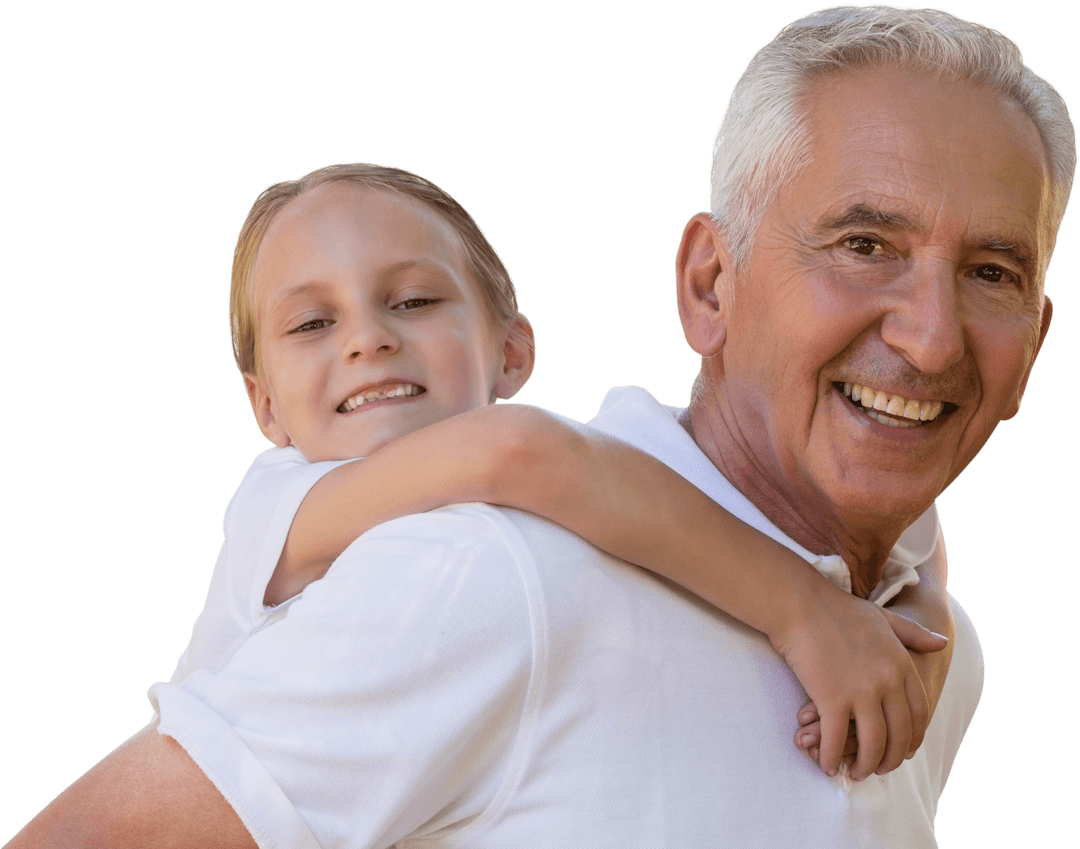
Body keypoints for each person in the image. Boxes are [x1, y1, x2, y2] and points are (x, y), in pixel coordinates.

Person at [6, 5, 1070, 848]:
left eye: (991, 272)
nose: (932, 340)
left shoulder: (933, 657)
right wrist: (803, 609)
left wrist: (908, 610)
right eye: (865, 245)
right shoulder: (485, 573)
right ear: (710, 283)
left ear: (1033, 342)